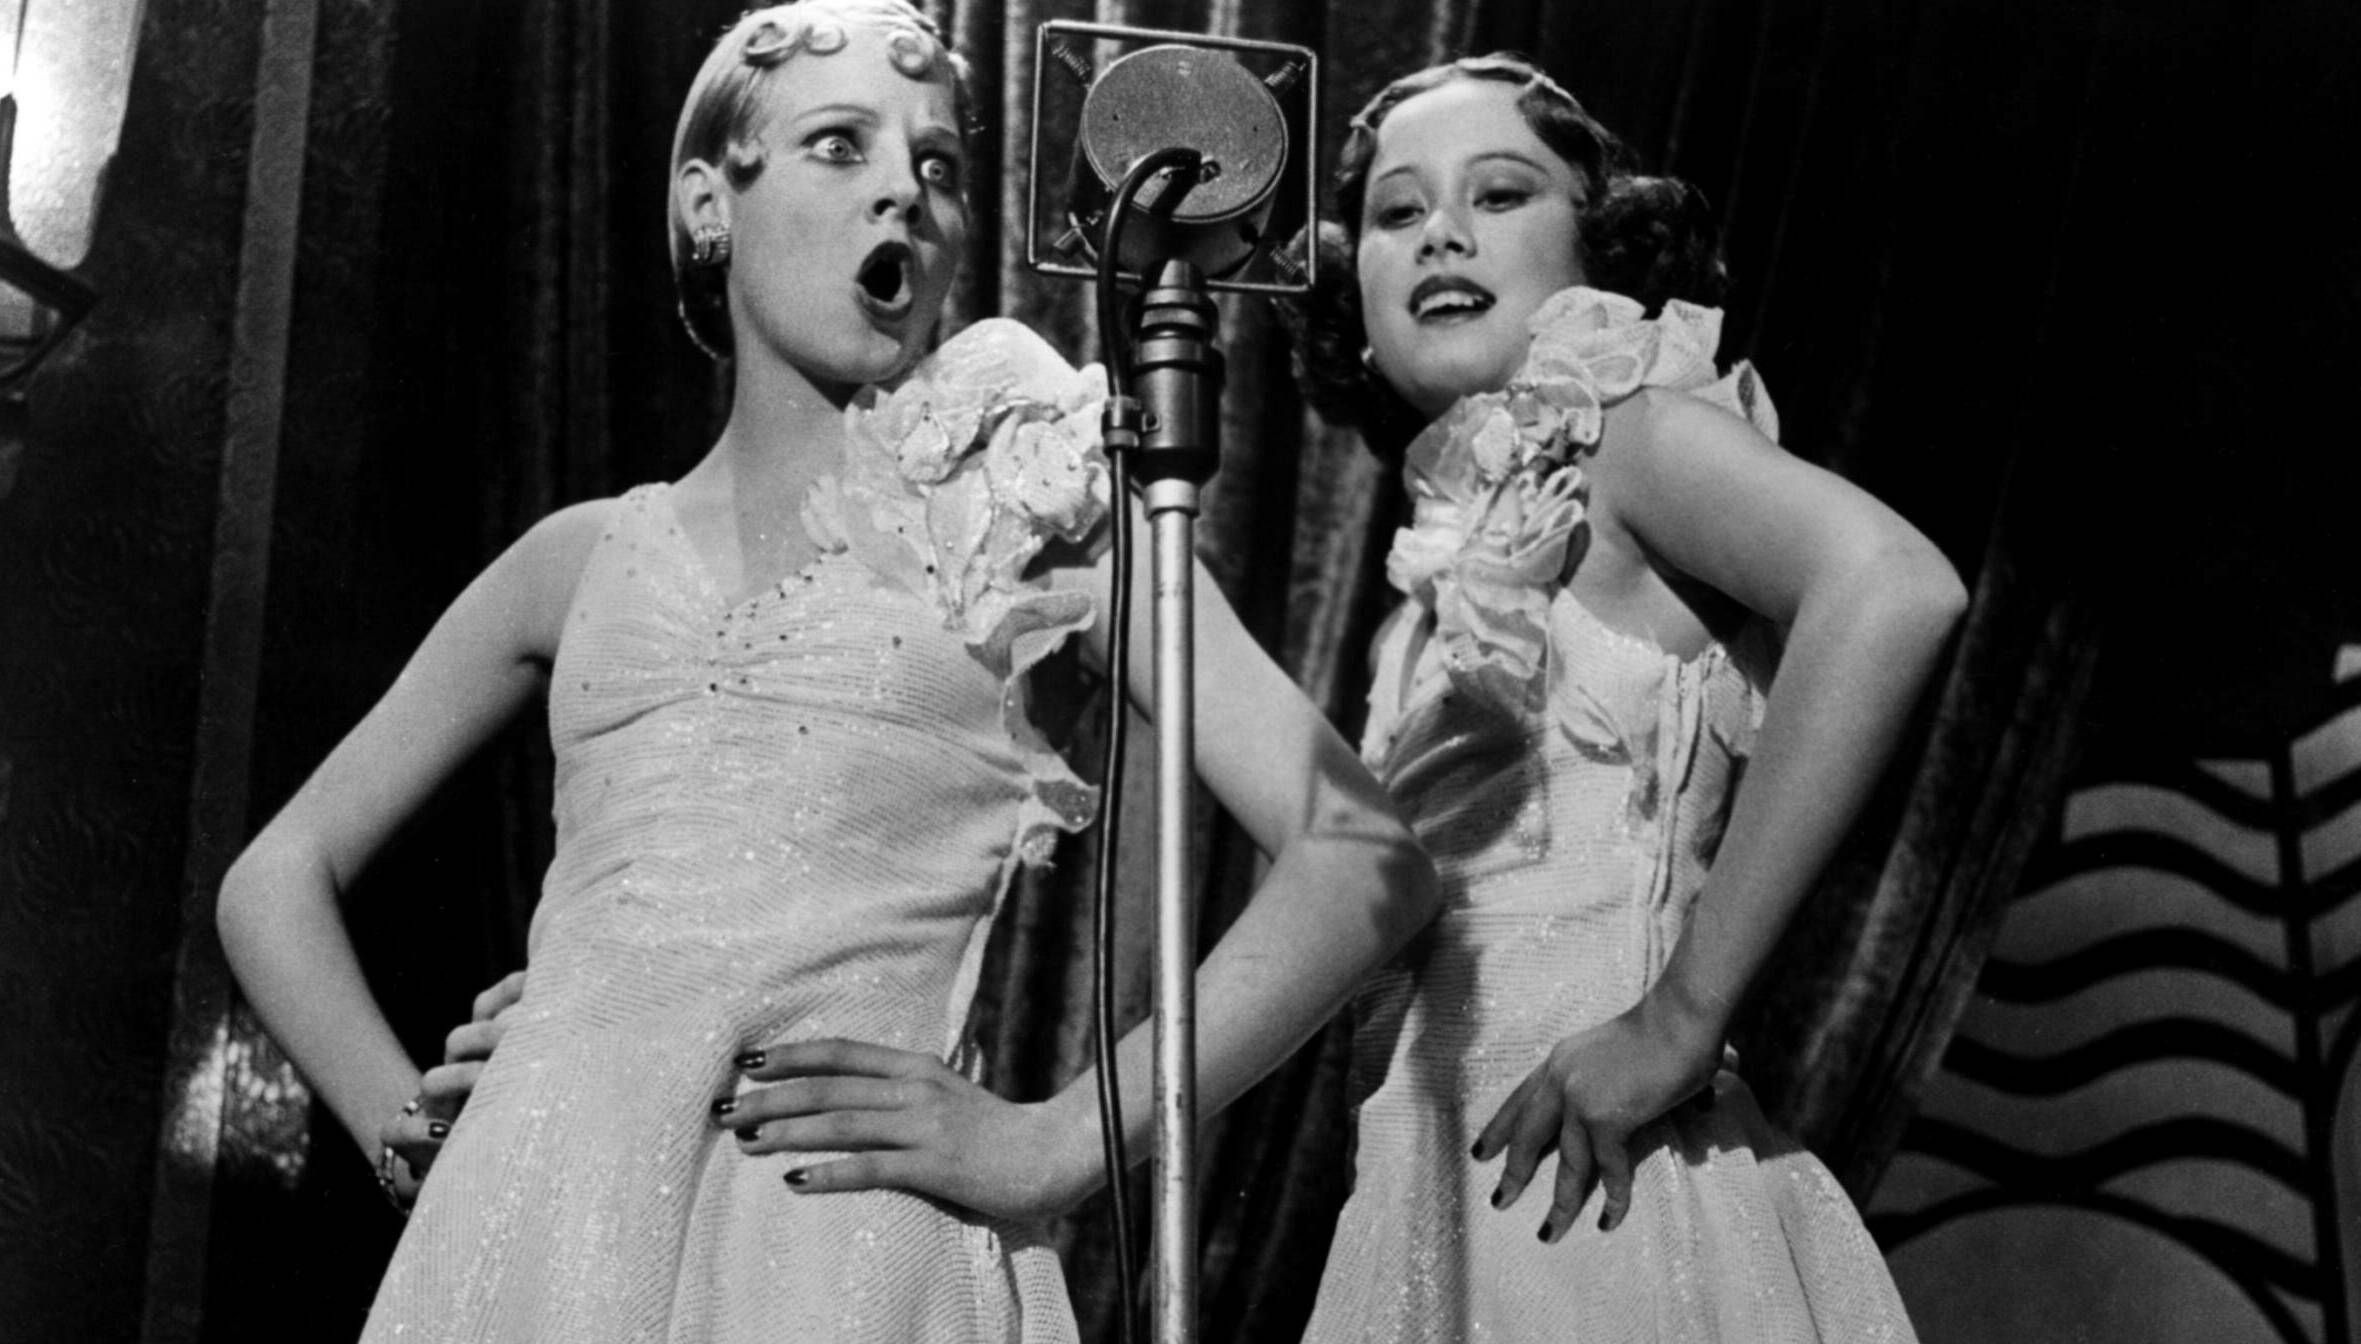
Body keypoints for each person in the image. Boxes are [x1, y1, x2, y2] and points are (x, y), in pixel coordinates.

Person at [212, 4, 1434, 1340]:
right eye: (840, 145)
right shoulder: (575, 559)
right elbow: (275, 879)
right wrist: (412, 1137)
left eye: (938, 165)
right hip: (537, 1236)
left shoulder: (1031, 514)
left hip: (842, 1251)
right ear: (709, 205)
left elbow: (1363, 859)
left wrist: (1056, 1143)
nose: (904, 188)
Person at [1276, 55, 1959, 1341]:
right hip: (1439, 1208)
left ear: (1598, 252)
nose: (1443, 234)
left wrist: (1681, 1018)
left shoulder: (1629, 435)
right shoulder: (1428, 588)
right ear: (1353, 298)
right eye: (1397, 211)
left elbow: (1891, 587)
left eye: (1500, 194)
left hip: (1601, 1205)